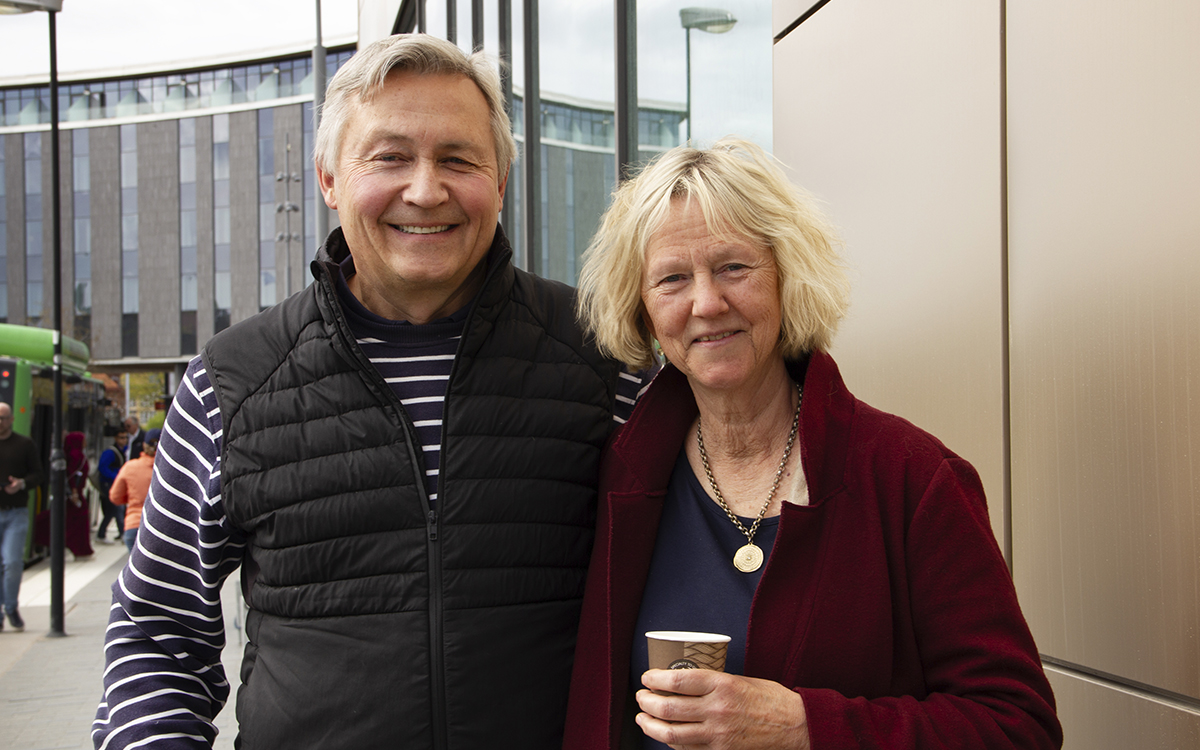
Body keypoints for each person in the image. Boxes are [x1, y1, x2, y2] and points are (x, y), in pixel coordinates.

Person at [94, 34, 640, 750]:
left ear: (501, 180)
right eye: (389, 157)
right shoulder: (231, 382)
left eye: (458, 158)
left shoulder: (606, 360)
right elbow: (157, 632)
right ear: (328, 177)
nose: (424, 189)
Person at [563, 138, 1062, 750]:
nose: (707, 303)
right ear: (641, 310)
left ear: (786, 276)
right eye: (671, 278)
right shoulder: (625, 475)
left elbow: (1018, 725)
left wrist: (806, 727)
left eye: (733, 267)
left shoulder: (913, 478)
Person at [0, 402, 42, 633]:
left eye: (3, 418)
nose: (0, 423)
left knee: (13, 562)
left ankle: (11, 607)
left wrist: (21, 484)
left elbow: (38, 474)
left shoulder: (24, 444)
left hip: (16, 512)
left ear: (12, 419)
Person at [35, 431, 95, 560]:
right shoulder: (75, 455)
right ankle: (80, 550)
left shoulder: (71, 454)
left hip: (73, 495)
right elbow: (72, 474)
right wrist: (74, 492)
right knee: (76, 524)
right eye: (82, 440)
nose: (85, 443)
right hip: (75, 496)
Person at [108, 429, 158, 553]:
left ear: (144, 445)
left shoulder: (130, 467)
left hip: (134, 525)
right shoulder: (171, 470)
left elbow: (115, 496)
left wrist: (131, 498)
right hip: (160, 528)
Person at [95, 430, 127, 544]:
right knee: (117, 508)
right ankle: (122, 533)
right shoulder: (110, 452)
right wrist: (117, 477)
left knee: (112, 510)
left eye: (125, 437)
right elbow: (103, 467)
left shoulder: (122, 450)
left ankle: (102, 533)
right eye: (121, 437)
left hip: (112, 483)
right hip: (108, 483)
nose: (123, 440)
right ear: (116, 438)